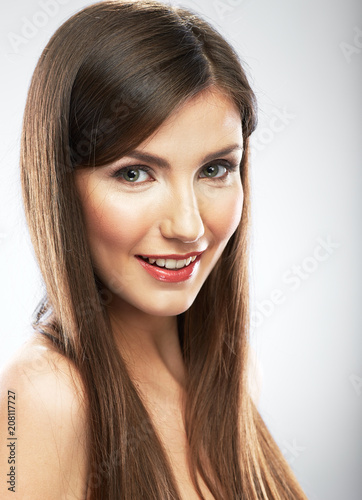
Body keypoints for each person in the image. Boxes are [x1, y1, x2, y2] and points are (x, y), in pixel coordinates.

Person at [0, 1, 308, 499]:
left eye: (215, 169)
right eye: (134, 173)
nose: (187, 225)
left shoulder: (235, 372)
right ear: (59, 186)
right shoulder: (40, 395)